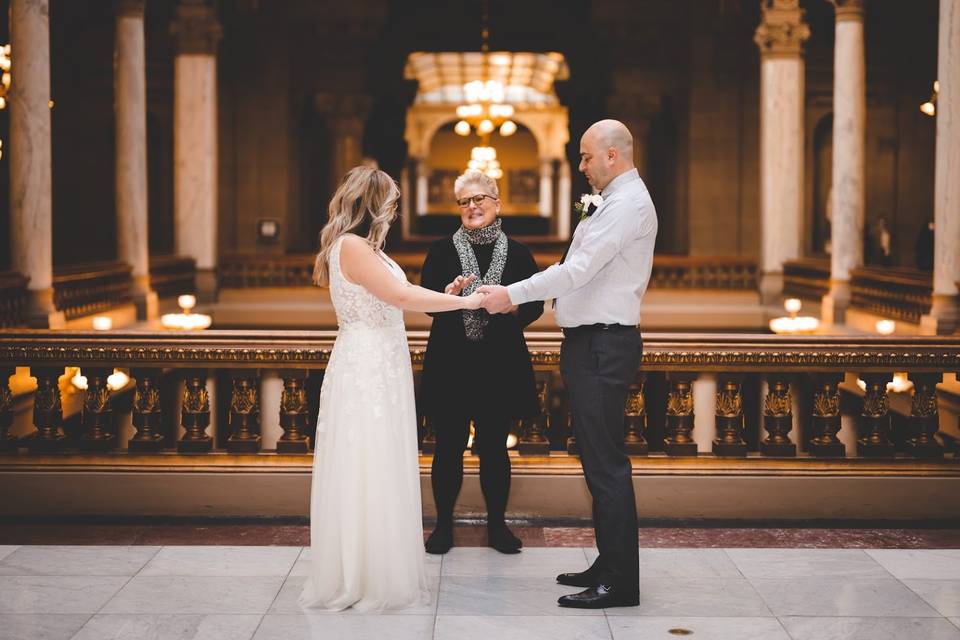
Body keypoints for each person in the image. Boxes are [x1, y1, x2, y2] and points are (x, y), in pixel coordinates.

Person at [479, 119, 657, 609]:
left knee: (606, 466)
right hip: (588, 344)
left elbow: (576, 270)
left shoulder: (628, 205)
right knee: (594, 460)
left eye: (585, 156)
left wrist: (509, 295)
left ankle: (620, 582)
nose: (580, 166)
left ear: (612, 156)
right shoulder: (611, 202)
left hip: (604, 345)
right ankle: (609, 562)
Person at [300, 166, 485, 611]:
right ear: (375, 204)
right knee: (367, 460)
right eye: (392, 202)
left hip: (382, 360)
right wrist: (464, 301)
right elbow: (401, 298)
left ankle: (377, 566)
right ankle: (364, 577)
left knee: (381, 459)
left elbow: (394, 294)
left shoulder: (367, 248)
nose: (396, 211)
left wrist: (444, 291)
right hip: (366, 365)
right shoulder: (351, 246)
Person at [420, 169, 544, 555]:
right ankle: (443, 526)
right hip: (451, 361)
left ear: (496, 203)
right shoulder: (440, 251)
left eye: (480, 200)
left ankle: (496, 527)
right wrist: (449, 295)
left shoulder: (520, 253)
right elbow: (426, 303)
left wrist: (510, 304)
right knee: (448, 448)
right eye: (465, 201)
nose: (472, 207)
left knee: (494, 448)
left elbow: (536, 304)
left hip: (498, 363)